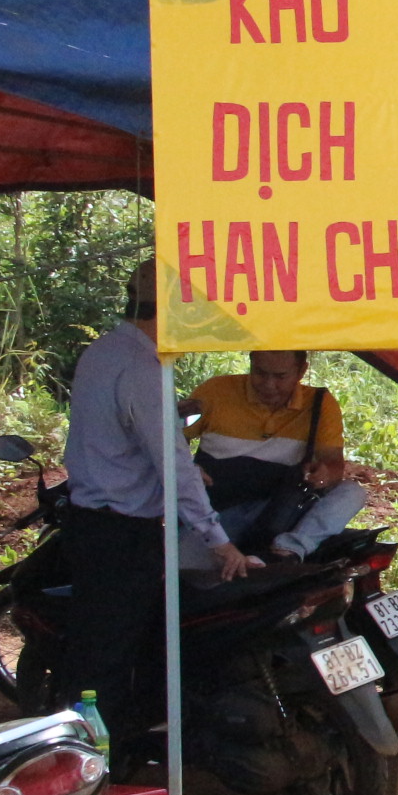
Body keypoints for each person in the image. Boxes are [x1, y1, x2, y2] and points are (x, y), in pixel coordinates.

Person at [62, 263, 252, 756]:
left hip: (90, 521)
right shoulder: (144, 370)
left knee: (96, 649)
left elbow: (117, 443)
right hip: (124, 532)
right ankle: (101, 765)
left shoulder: (100, 353)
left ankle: (96, 757)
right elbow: (172, 465)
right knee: (113, 656)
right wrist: (218, 539)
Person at [182, 349, 370, 565]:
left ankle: (287, 551)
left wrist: (324, 474)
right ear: (250, 363)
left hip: (280, 508)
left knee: (352, 492)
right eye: (260, 373)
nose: (269, 385)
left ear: (301, 371)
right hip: (219, 509)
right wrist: (187, 468)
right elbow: (170, 438)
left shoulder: (319, 404)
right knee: (183, 572)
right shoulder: (215, 392)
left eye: (281, 377)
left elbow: (334, 464)